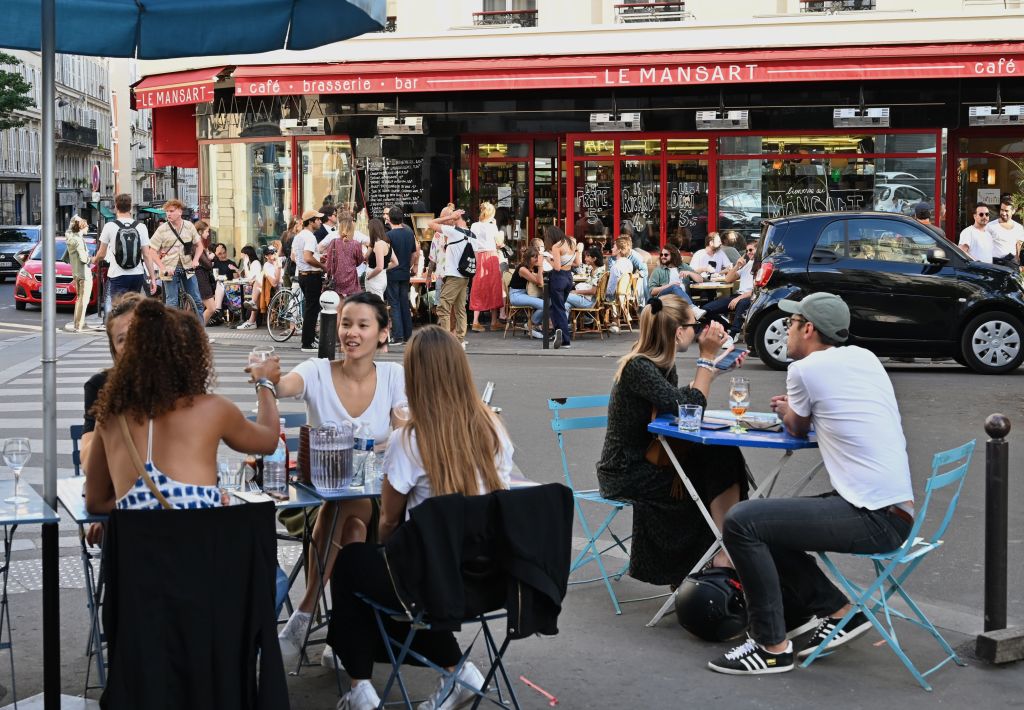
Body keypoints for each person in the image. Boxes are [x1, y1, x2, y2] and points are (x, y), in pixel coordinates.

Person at [709, 292, 914, 675]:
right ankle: (840, 613)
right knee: (765, 526)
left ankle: (770, 645)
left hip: (871, 515)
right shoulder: (863, 357)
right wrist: (796, 409)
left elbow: (797, 425)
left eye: (791, 323)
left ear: (809, 329)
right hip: (896, 511)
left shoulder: (805, 370)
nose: (786, 329)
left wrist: (788, 409)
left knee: (741, 520)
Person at [330, 325, 513, 710]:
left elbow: (389, 522)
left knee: (353, 562)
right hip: (487, 577)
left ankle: (361, 687)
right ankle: (457, 671)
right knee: (389, 578)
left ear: (415, 377)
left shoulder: (411, 439)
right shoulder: (494, 429)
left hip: (432, 581)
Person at [267, 293, 405, 664]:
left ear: (382, 333)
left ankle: (308, 615)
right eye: (346, 324)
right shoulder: (316, 371)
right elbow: (284, 387)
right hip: (318, 503)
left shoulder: (394, 376)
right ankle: (340, 632)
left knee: (355, 519)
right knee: (349, 518)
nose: (352, 333)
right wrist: (269, 379)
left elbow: (406, 434)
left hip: (381, 503)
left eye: (363, 325)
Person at [596, 295, 748, 584]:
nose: (698, 330)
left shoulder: (660, 365)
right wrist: (705, 359)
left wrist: (713, 370)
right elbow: (689, 415)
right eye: (695, 325)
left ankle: (724, 550)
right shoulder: (637, 367)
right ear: (678, 331)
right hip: (627, 472)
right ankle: (721, 554)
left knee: (722, 453)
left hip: (652, 461)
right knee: (712, 465)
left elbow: (676, 403)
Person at [83, 298, 282, 513]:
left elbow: (95, 502)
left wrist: (143, 507)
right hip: (202, 545)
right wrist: (264, 382)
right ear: (186, 353)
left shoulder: (111, 416)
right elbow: (269, 441)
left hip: (136, 546)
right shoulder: (213, 410)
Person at [92, 192, 160, 303]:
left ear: (116, 207)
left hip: (117, 275)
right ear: (130, 208)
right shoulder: (141, 227)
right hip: (137, 275)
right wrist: (152, 278)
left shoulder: (109, 226)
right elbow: (147, 255)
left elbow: (102, 254)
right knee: (133, 308)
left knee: (119, 310)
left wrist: (94, 260)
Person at [150, 199, 204, 321]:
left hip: (188, 266)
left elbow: (199, 245)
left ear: (180, 211)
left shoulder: (189, 226)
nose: (168, 214)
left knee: (197, 301)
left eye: (171, 211)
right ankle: (172, 334)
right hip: (169, 269)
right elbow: (151, 251)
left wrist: (196, 260)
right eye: (167, 212)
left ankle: (200, 333)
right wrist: (163, 268)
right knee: (172, 303)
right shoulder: (162, 229)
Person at [428, 207, 473, 345]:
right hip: (464, 275)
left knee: (443, 307)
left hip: (453, 275)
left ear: (459, 216)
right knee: (460, 308)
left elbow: (431, 223)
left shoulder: (453, 232)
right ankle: (459, 339)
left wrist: (448, 217)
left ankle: (446, 341)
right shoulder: (471, 234)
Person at [701, 239, 756, 338]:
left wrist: (739, 298)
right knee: (705, 309)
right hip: (738, 295)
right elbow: (728, 279)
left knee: (743, 303)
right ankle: (729, 328)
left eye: (751, 250)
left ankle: (734, 333)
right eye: (747, 251)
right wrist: (736, 266)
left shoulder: (761, 266)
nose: (748, 253)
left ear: (758, 250)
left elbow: (757, 289)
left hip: (750, 296)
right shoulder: (748, 264)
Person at [384, 206, 419, 346]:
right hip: (405, 272)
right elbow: (414, 253)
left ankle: (398, 336)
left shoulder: (389, 236)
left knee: (394, 303)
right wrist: (410, 266)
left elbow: (387, 256)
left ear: (389, 219)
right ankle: (407, 335)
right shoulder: (409, 233)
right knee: (404, 303)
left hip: (392, 272)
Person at [293, 209, 325, 353]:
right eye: (317, 219)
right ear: (311, 221)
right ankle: (308, 342)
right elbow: (307, 257)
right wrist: (322, 266)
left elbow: (294, 257)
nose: (320, 221)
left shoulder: (298, 236)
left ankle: (308, 339)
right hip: (312, 275)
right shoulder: (310, 237)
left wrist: (317, 258)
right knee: (312, 309)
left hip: (302, 274)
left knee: (310, 308)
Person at [469, 202, 504, 332]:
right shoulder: (492, 227)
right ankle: (494, 321)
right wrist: (496, 228)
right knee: (494, 287)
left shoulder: (474, 225)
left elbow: (471, 243)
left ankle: (475, 321)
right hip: (491, 256)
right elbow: (499, 243)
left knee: (478, 286)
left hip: (478, 256)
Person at [545, 225, 580, 349]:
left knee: (558, 309)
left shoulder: (556, 246)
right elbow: (577, 263)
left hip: (558, 278)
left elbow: (557, 267)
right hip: (569, 277)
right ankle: (558, 330)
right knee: (556, 307)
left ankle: (565, 340)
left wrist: (548, 259)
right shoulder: (572, 242)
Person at [508, 246, 546, 340]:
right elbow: (540, 282)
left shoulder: (532, 268)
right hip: (516, 295)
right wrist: (541, 265)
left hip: (525, 294)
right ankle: (532, 324)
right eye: (535, 257)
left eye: (538, 256)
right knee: (545, 305)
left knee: (549, 302)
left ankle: (534, 324)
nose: (537, 259)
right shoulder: (522, 269)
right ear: (529, 258)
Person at [322, 214, 364, 298]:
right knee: (351, 303)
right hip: (351, 278)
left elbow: (329, 263)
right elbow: (359, 261)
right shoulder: (356, 244)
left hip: (337, 278)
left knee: (338, 303)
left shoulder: (334, 242)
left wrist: (328, 274)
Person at [64, 215, 93, 333]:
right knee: (84, 300)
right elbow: (83, 258)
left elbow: (67, 257)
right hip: (84, 274)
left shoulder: (71, 238)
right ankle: (79, 325)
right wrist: (91, 258)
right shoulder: (79, 240)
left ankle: (78, 323)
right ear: (81, 228)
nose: (88, 229)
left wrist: (77, 219)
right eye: (86, 227)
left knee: (79, 299)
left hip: (76, 273)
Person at [192, 220, 220, 326]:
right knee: (211, 308)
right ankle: (198, 331)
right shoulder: (197, 245)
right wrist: (212, 257)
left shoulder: (197, 244)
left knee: (194, 308)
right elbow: (207, 264)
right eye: (207, 231)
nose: (208, 234)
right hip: (201, 277)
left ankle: (196, 332)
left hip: (199, 277)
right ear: (200, 232)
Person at [364, 218, 395, 300]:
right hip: (382, 277)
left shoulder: (378, 245)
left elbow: (379, 267)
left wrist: (369, 276)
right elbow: (395, 262)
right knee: (376, 304)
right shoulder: (386, 243)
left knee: (376, 305)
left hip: (375, 278)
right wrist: (384, 268)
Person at [988, 196, 1024, 267]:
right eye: (1002, 210)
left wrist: (1017, 261)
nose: (1003, 213)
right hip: (995, 264)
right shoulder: (990, 226)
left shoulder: (1019, 228)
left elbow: (1018, 245)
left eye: (1006, 211)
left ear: (1013, 211)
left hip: (1012, 264)